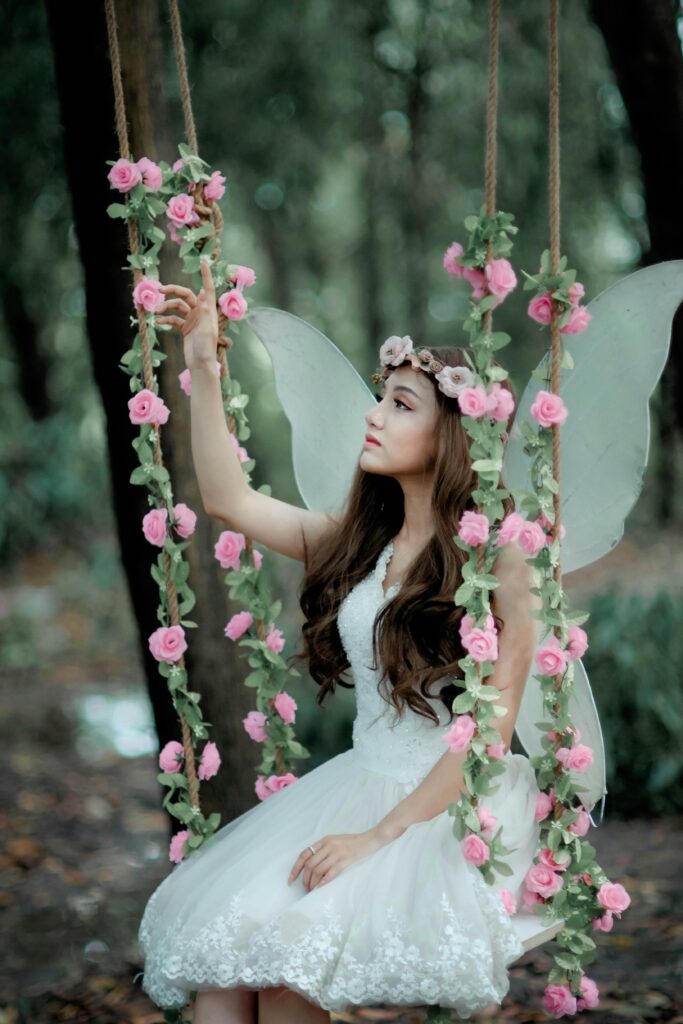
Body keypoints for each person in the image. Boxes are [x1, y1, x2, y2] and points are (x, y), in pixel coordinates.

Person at [138, 256, 543, 1023]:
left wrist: (375, 837)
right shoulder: (360, 544)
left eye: (400, 404)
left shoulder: (499, 561)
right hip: (360, 780)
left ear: (452, 433)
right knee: (224, 965)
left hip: (440, 806)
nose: (373, 415)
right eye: (379, 398)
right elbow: (227, 500)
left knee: (284, 968)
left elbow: (488, 735)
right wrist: (202, 363)